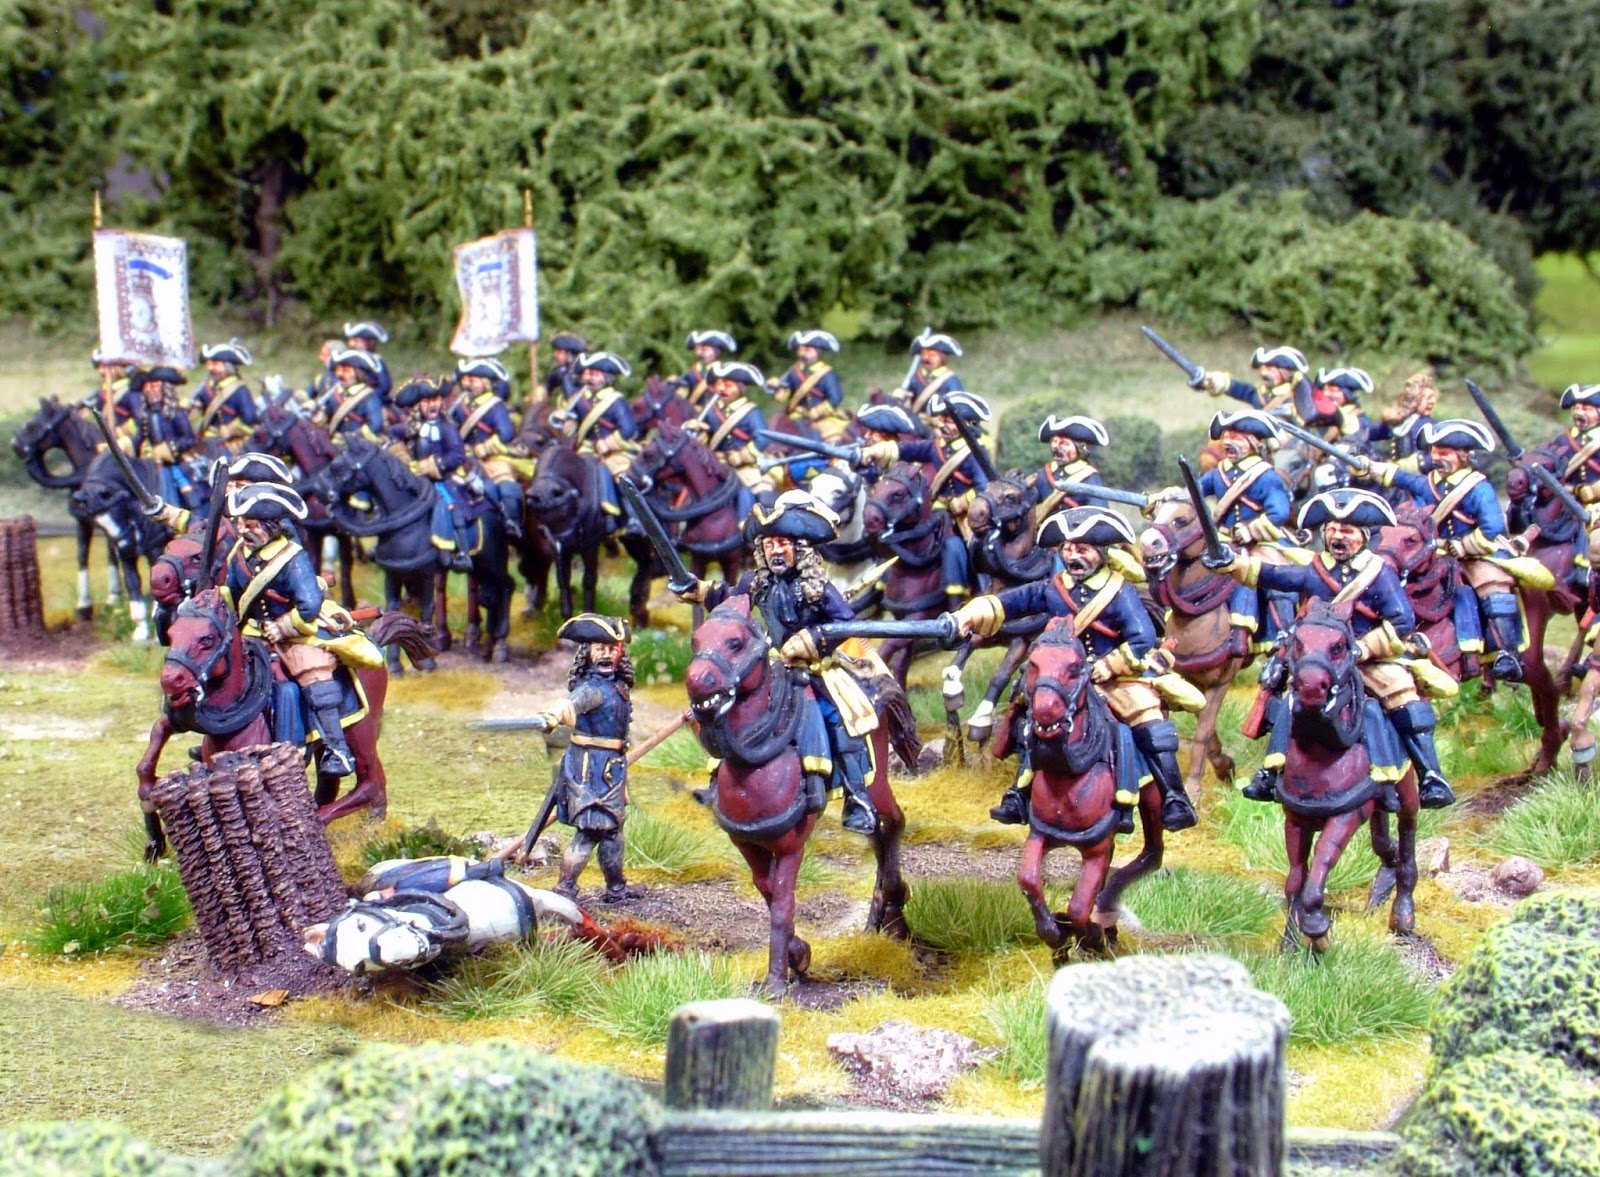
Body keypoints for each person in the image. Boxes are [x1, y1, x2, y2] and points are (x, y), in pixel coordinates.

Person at [949, 506, 1200, 833]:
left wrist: (1110, 665)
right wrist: (967, 615)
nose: (1072, 556)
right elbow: (1009, 602)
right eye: (1067, 549)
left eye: (1082, 549)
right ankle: (1020, 792)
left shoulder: (1119, 591)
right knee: (1029, 717)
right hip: (1063, 678)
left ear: (1100, 553)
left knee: (1149, 721)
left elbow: (1142, 638)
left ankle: (1175, 799)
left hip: (1112, 677)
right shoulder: (1054, 588)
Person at [1211, 487, 1455, 809]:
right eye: (1333, 529)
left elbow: (1401, 622)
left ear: (1363, 536)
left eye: (1347, 530)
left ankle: (1431, 776)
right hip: (1319, 659)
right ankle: (1271, 771)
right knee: (1287, 697)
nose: (1338, 536)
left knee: (1401, 693)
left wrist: (1363, 649)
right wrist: (1232, 563)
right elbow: (1276, 575)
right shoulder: (1316, 569)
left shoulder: (1379, 574)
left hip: (1367, 659)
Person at [675, 493, 880, 834]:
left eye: (782, 543)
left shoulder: (819, 588)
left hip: (815, 670)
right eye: (769, 544)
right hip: (773, 667)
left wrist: (813, 640)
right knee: (731, 712)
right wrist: (698, 590)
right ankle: (717, 781)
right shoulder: (758, 582)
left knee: (839, 720)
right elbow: (729, 598)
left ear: (800, 548)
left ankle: (857, 799)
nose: (775, 551)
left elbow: (846, 624)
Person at [220, 482, 383, 776]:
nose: (243, 530)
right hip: (250, 633)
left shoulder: (292, 559)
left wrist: (282, 628)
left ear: (270, 526)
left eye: (251, 525)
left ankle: (337, 750)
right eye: (241, 523)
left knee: (313, 673)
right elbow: (231, 594)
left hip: (293, 635)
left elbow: (308, 605)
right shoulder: (239, 555)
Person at [1359, 420, 1530, 681]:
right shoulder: (1429, 483)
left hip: (1472, 554)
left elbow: (1492, 530)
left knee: (1492, 587)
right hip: (1431, 552)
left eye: (1444, 453)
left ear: (1462, 455)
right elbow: (1399, 477)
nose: (1437, 458)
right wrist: (1369, 467)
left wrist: (1459, 546)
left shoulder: (1478, 488)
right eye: (1434, 452)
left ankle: (1507, 654)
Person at [530, 614, 640, 903]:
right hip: (592, 770)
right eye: (600, 648)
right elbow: (570, 703)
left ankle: (616, 889)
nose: (607, 654)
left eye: (613, 648)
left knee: (612, 831)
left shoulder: (617, 686)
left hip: (610, 768)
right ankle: (565, 890)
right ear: (587, 653)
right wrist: (553, 715)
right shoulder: (592, 690)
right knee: (590, 832)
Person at [1194, 409, 1303, 657]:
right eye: (1226, 436)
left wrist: (1251, 530)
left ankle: (1281, 635)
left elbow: (1279, 512)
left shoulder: (1266, 476)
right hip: (1223, 538)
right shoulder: (1219, 472)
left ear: (1253, 443)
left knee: (1275, 580)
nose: (1228, 442)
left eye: (1237, 437)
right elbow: (1194, 492)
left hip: (1258, 542)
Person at [393, 376, 475, 571]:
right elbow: (392, 435)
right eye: (426, 401)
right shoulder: (410, 429)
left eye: (436, 399)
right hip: (416, 479)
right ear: (417, 406)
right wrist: (404, 457)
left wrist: (431, 465)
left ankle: (458, 550)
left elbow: (457, 455)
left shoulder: (447, 428)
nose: (432, 405)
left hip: (444, 478)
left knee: (447, 503)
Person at [450, 356, 525, 539]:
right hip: (466, 457)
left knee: (505, 480)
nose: (468, 383)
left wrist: (485, 448)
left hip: (493, 457)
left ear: (486, 383)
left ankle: (512, 521)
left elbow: (506, 433)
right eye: (466, 379)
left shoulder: (494, 405)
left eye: (474, 379)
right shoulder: (460, 406)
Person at [690, 360, 775, 503]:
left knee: (760, 495)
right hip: (716, 466)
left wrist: (741, 456)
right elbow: (707, 438)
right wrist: (696, 431)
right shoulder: (711, 412)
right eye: (719, 385)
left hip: (746, 468)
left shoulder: (752, 413)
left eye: (728, 385)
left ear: (741, 388)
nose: (722, 389)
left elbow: (763, 439)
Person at [121, 366, 201, 510]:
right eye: (148, 386)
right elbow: (141, 436)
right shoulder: (148, 414)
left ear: (166, 389)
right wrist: (127, 445)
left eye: (155, 386)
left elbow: (190, 439)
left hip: (176, 461)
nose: (150, 390)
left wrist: (170, 448)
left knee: (188, 495)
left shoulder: (177, 413)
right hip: (155, 461)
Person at [768, 329, 849, 442]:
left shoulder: (827, 374)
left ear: (818, 351)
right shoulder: (794, 371)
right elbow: (786, 391)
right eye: (800, 350)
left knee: (832, 436)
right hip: (797, 415)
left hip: (822, 417)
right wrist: (776, 388)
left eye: (807, 350)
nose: (802, 353)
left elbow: (835, 398)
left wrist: (818, 411)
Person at [1030, 415, 1108, 516]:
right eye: (1055, 441)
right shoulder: (1043, 474)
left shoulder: (1090, 478)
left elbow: (1098, 513)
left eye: (1064, 443)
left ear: (1082, 448)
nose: (1056, 447)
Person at [190, 339, 259, 451]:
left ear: (228, 367)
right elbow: (199, 407)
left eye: (216, 364)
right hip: (206, 439)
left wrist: (230, 429)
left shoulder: (239, 390)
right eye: (210, 364)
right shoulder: (208, 386)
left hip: (229, 442)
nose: (211, 368)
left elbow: (250, 418)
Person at [311, 348, 387, 443]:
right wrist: (319, 416)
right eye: (338, 370)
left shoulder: (368, 397)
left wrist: (352, 438)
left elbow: (376, 425)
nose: (339, 374)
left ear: (359, 374)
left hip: (359, 444)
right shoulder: (336, 393)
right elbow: (328, 413)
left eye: (346, 371)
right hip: (335, 440)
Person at [1370, 371, 1439, 466]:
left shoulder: (1426, 424)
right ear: (1415, 399)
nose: (1433, 401)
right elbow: (1369, 433)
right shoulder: (1397, 421)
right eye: (1429, 398)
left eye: (1433, 397)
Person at [894, 329, 965, 423]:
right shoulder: (916, 377)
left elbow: (958, 407)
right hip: (918, 422)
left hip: (941, 424)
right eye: (924, 354)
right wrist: (902, 397)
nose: (926, 358)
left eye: (932, 355)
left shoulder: (950, 380)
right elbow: (909, 401)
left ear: (943, 358)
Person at [680, 330, 738, 410]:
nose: (699, 353)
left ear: (717, 352)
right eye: (697, 349)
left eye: (704, 349)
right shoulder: (695, 369)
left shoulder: (721, 374)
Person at [342, 320, 393, 406]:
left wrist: (369, 397)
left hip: (375, 400)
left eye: (358, 341)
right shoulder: (352, 358)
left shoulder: (377, 360)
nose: (353, 344)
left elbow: (385, 385)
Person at [543, 331, 589, 407]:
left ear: (570, 355)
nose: (555, 355)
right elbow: (545, 388)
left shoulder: (587, 372)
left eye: (559, 352)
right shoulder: (559, 371)